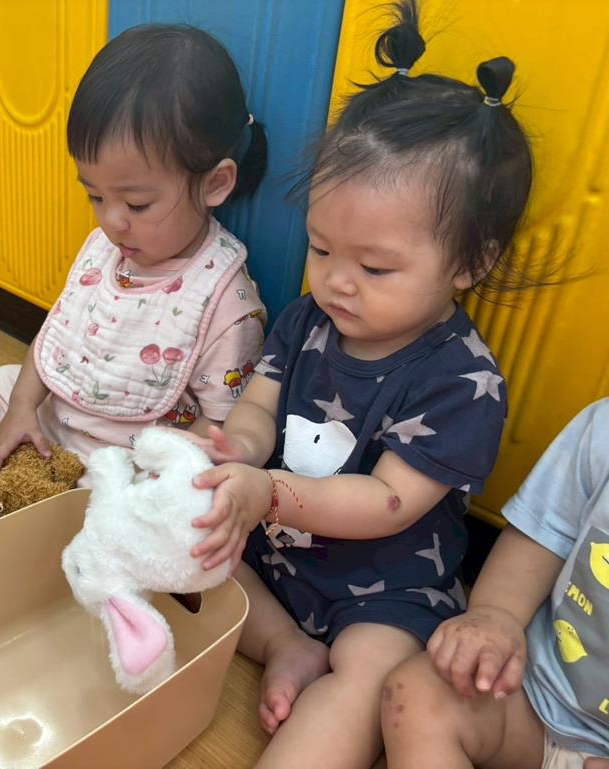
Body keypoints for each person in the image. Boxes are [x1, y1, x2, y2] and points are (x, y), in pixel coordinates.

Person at [186, 2, 534, 766]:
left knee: (373, 676)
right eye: (320, 248)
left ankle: (320, 683)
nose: (337, 282)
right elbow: (261, 406)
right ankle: (285, 646)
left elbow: (387, 502)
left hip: (387, 591)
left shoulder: (462, 379)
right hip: (280, 550)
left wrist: (269, 491)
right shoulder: (308, 318)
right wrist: (236, 448)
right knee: (195, 548)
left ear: (470, 262)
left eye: (374, 267)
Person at [0, 24, 269, 469]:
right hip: (56, 426)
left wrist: (152, 477)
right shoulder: (106, 250)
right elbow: (54, 337)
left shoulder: (226, 302)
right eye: (95, 196)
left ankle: (16, 499)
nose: (110, 221)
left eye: (137, 204)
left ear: (215, 184)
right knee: (0, 384)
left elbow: (220, 424)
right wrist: (22, 408)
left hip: (124, 467)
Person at [381, 400, 609, 769]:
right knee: (419, 692)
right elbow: (541, 536)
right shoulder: (602, 430)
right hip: (536, 697)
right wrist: (496, 615)